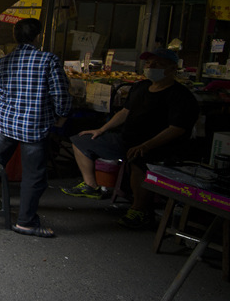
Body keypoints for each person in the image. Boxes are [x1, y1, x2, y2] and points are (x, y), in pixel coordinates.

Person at [64, 48, 200, 229]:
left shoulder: (181, 96)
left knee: (138, 159)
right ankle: (91, 186)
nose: (150, 67)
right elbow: (124, 112)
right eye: (148, 63)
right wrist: (101, 129)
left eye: (157, 64)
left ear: (172, 68)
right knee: (81, 140)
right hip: (126, 139)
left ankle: (140, 210)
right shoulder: (141, 87)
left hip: (158, 146)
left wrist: (146, 145)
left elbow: (176, 129)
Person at [0, 18, 72, 238]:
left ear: (16, 37)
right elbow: (60, 94)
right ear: (38, 37)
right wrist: (61, 116)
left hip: (6, 124)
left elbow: (3, 93)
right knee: (34, 175)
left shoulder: (3, 62)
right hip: (34, 125)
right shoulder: (48, 60)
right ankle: (26, 221)